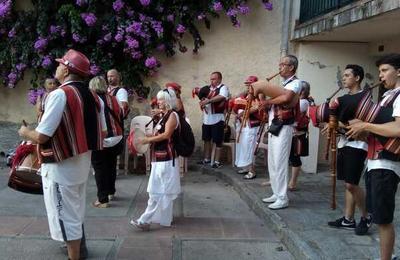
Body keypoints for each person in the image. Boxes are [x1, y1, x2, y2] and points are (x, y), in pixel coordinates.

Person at [18, 49, 106, 260]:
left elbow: (41, 135)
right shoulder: (95, 97)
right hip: (82, 164)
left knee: (65, 217)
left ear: (66, 70)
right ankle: (77, 250)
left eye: (59, 65)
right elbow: (101, 131)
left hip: (60, 168)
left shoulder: (59, 95)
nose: (56, 68)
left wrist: (25, 132)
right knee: (74, 211)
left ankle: (73, 256)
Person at [347, 53, 400, 260]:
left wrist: (366, 125)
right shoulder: (388, 95)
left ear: (398, 71)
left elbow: (397, 128)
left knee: (383, 218)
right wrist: (357, 128)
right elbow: (380, 128)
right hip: (375, 160)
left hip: (387, 162)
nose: (381, 76)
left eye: (385, 70)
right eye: (379, 71)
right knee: (379, 216)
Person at [250, 55, 302, 210]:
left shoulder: (296, 83)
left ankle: (282, 197)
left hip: (284, 127)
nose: (279, 67)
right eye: (280, 64)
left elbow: (287, 98)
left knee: (279, 162)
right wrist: (262, 100)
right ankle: (276, 192)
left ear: (291, 67)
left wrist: (267, 101)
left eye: (282, 64)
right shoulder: (283, 84)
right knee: (272, 162)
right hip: (274, 125)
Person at [326, 65, 371, 235]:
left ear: (357, 78)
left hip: (358, 145)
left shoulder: (366, 99)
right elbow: (334, 119)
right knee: (348, 185)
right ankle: (348, 219)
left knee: (351, 184)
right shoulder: (343, 99)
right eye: (343, 76)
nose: (343, 78)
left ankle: (367, 216)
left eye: (347, 75)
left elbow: (363, 124)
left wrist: (339, 124)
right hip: (344, 143)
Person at [130, 88, 181, 230]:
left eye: (162, 99)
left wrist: (146, 140)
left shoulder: (173, 116)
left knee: (160, 191)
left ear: (168, 100)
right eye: (158, 99)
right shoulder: (164, 115)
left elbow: (166, 135)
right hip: (159, 159)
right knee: (157, 191)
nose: (159, 102)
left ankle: (144, 220)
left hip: (167, 159)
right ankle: (163, 219)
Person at [89, 76, 124, 208]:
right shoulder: (113, 98)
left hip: (101, 139)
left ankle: (102, 199)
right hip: (116, 137)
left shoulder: (93, 100)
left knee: (99, 169)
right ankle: (111, 192)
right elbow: (122, 114)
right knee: (111, 165)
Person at [235, 76, 265, 179]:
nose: (247, 86)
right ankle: (246, 167)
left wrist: (244, 112)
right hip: (244, 124)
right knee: (243, 146)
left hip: (253, 124)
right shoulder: (247, 94)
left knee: (249, 147)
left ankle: (252, 171)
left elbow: (259, 106)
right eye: (247, 84)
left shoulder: (259, 95)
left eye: (249, 84)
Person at [197, 72, 230, 168]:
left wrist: (208, 100)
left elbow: (222, 96)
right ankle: (207, 159)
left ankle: (216, 161)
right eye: (211, 79)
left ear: (219, 79)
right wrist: (202, 102)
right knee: (206, 139)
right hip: (206, 119)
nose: (212, 81)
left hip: (218, 119)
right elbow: (202, 98)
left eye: (214, 79)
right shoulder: (207, 89)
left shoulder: (223, 88)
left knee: (218, 141)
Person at [288, 81, 313, 191]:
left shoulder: (303, 102)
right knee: (291, 158)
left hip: (298, 135)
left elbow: (290, 113)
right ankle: (288, 181)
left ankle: (292, 183)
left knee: (295, 158)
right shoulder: (301, 101)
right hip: (295, 134)